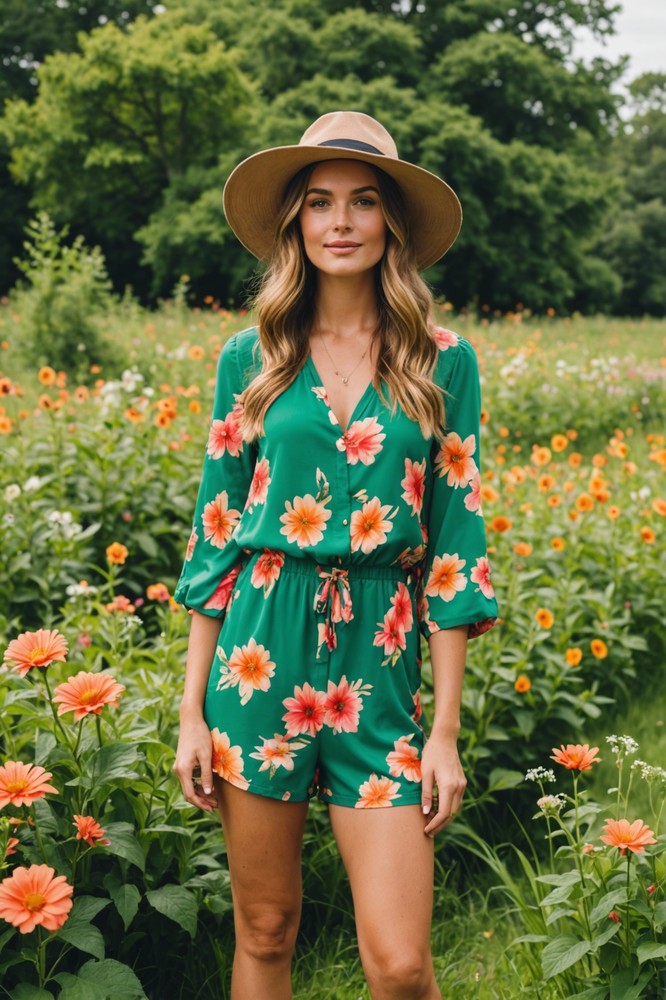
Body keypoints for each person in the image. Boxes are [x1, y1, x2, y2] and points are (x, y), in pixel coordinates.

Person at [173, 111, 498, 1000]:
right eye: (319, 202)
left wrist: (445, 732)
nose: (340, 221)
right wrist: (191, 710)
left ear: (390, 222)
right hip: (258, 653)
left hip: (381, 666)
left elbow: (454, 552)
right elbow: (217, 534)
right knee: (267, 931)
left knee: (399, 966)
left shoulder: (443, 363)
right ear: (297, 223)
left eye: (362, 201)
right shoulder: (253, 355)